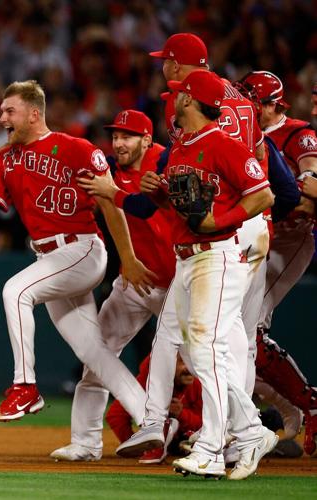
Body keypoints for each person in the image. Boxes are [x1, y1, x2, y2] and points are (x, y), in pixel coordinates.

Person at [0, 80, 155, 451]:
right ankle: (149, 421)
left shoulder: (76, 148)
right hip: (49, 257)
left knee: (15, 290)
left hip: (82, 250)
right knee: (94, 353)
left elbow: (110, 205)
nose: (2, 117)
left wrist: (128, 259)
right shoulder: (5, 159)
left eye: (10, 111)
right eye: (2, 111)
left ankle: (25, 387)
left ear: (34, 114)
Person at [125, 69, 277, 479]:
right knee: (194, 351)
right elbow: (182, 208)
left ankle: (210, 448)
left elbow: (264, 193)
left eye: (178, 94)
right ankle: (251, 431)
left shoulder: (223, 144)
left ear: (190, 100)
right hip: (186, 258)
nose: (173, 98)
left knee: (207, 347)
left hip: (217, 254)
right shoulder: (179, 147)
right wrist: (158, 192)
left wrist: (220, 219)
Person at [52, 109, 175, 462]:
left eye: (128, 136)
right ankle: (86, 442)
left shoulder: (164, 162)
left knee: (200, 363)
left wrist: (113, 190)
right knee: (97, 356)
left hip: (176, 284)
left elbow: (147, 208)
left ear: (147, 140)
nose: (119, 142)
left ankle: (229, 434)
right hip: (133, 283)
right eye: (116, 135)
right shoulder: (106, 168)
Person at [236, 70, 317, 456]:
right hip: (253, 237)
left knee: (246, 333)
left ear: (271, 105)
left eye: (252, 99)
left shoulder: (297, 133)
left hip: (287, 240)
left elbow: (313, 188)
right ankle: (288, 410)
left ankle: (304, 404)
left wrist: (288, 189)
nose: (246, 104)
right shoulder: (239, 131)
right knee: (235, 334)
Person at [106, 355, 201, 465]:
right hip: (166, 441)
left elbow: (208, 425)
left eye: (192, 362)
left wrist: (181, 414)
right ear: (167, 365)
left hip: (188, 437)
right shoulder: (146, 381)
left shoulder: (199, 382)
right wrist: (139, 448)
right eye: (182, 362)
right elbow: (115, 415)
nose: (189, 368)